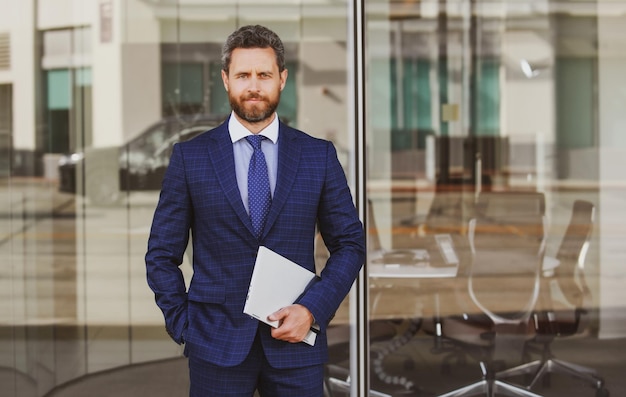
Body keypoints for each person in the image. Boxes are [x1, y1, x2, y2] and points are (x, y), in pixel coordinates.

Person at [146, 24, 365, 397]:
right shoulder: (191, 158)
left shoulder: (318, 156)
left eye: (264, 74)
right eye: (243, 75)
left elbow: (350, 244)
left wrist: (312, 310)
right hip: (214, 345)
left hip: (295, 345)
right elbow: (161, 255)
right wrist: (184, 325)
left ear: (282, 79)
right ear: (226, 80)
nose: (253, 85)